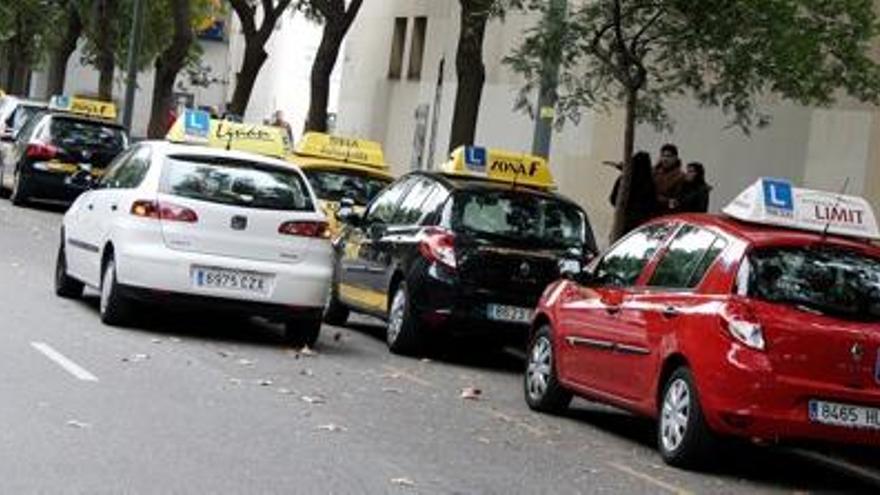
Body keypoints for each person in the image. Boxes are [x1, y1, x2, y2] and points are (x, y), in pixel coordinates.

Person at [609, 151, 658, 234]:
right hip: (643, 225)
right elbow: (652, 203)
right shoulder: (650, 182)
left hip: (624, 221)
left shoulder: (624, 179)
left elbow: (613, 199)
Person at [653, 143, 685, 214]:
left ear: (675, 158)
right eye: (663, 156)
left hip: (667, 214)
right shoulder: (654, 173)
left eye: (669, 156)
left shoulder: (680, 177)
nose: (665, 159)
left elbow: (675, 201)